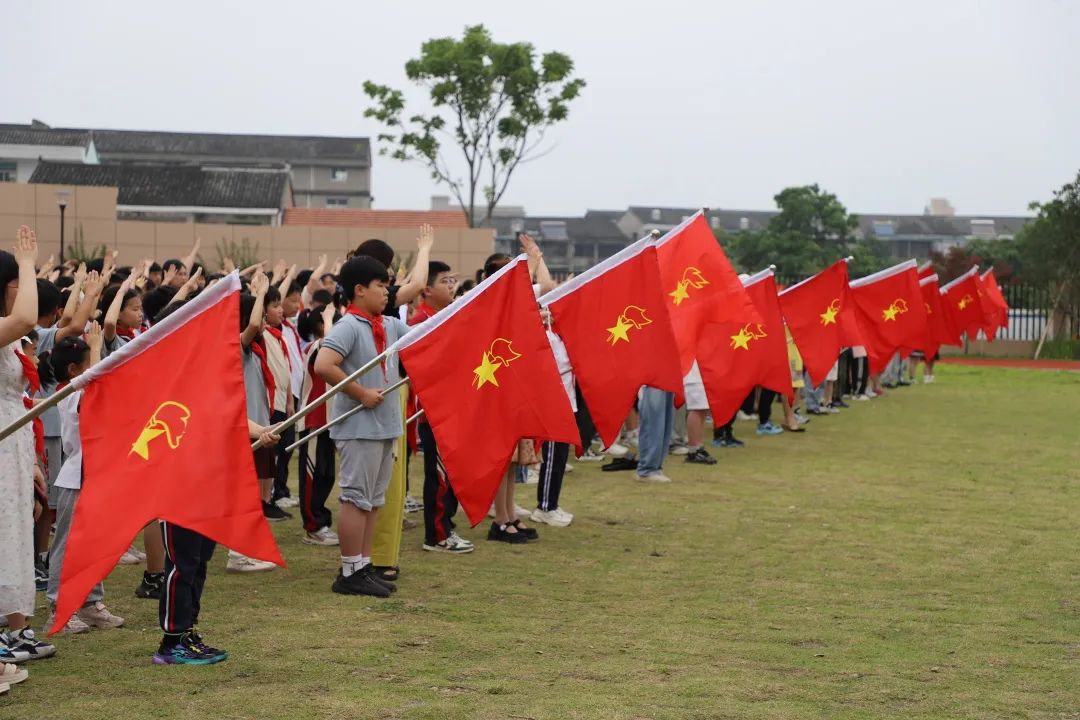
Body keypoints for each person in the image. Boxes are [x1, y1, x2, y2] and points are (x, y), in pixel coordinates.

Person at [314, 256, 410, 597]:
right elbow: (324, 364)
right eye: (380, 286)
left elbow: (424, 341)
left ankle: (362, 566)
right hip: (358, 426)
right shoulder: (348, 326)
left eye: (386, 285)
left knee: (373, 499)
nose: (387, 291)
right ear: (359, 290)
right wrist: (360, 393)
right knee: (356, 498)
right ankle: (349, 569)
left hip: (385, 426)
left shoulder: (387, 324)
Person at [44, 326, 126, 635]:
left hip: (96, 475)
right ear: (73, 370)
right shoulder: (70, 393)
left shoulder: (81, 386)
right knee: (66, 546)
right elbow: (94, 384)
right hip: (75, 477)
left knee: (94, 544)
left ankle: (90, 603)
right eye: (89, 360)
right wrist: (94, 345)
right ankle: (57, 609)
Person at [1, 226, 57, 668]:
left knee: (15, 534)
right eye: (19, 288)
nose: (26, 295)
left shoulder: (12, 339)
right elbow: (24, 319)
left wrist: (34, 464)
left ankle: (16, 627)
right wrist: (25, 261)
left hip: (14, 444)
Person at [230, 274, 280, 572]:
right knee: (243, 493)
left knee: (254, 492)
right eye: (259, 315)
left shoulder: (258, 348)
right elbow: (250, 326)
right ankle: (239, 554)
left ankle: (245, 549)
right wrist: (259, 293)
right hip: (245, 429)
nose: (262, 322)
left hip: (259, 426)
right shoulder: (236, 346)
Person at [295, 304, 339, 547]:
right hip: (314, 420)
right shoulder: (317, 347)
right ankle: (313, 526)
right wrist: (330, 316)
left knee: (326, 475)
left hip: (329, 421)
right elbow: (330, 344)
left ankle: (321, 521)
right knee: (312, 475)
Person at [682, 363, 718, 465]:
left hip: (701, 374)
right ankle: (693, 450)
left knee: (702, 410)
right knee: (696, 409)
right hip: (693, 376)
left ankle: (698, 446)